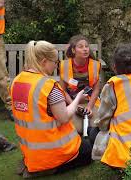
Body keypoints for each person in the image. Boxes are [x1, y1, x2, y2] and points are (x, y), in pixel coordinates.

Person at [10, 41, 93, 178]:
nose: (56, 65)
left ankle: (33, 164)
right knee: (87, 149)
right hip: (50, 151)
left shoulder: (17, 81)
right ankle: (48, 168)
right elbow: (64, 117)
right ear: (44, 61)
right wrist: (78, 98)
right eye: (55, 62)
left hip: (30, 150)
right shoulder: (48, 87)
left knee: (79, 139)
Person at [59, 35, 101, 136]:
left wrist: (90, 107)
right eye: (81, 46)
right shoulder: (64, 65)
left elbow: (96, 90)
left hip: (90, 101)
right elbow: (62, 90)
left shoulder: (95, 65)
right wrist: (74, 106)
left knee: (96, 126)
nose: (85, 49)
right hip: (71, 102)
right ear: (73, 50)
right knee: (72, 128)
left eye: (86, 46)